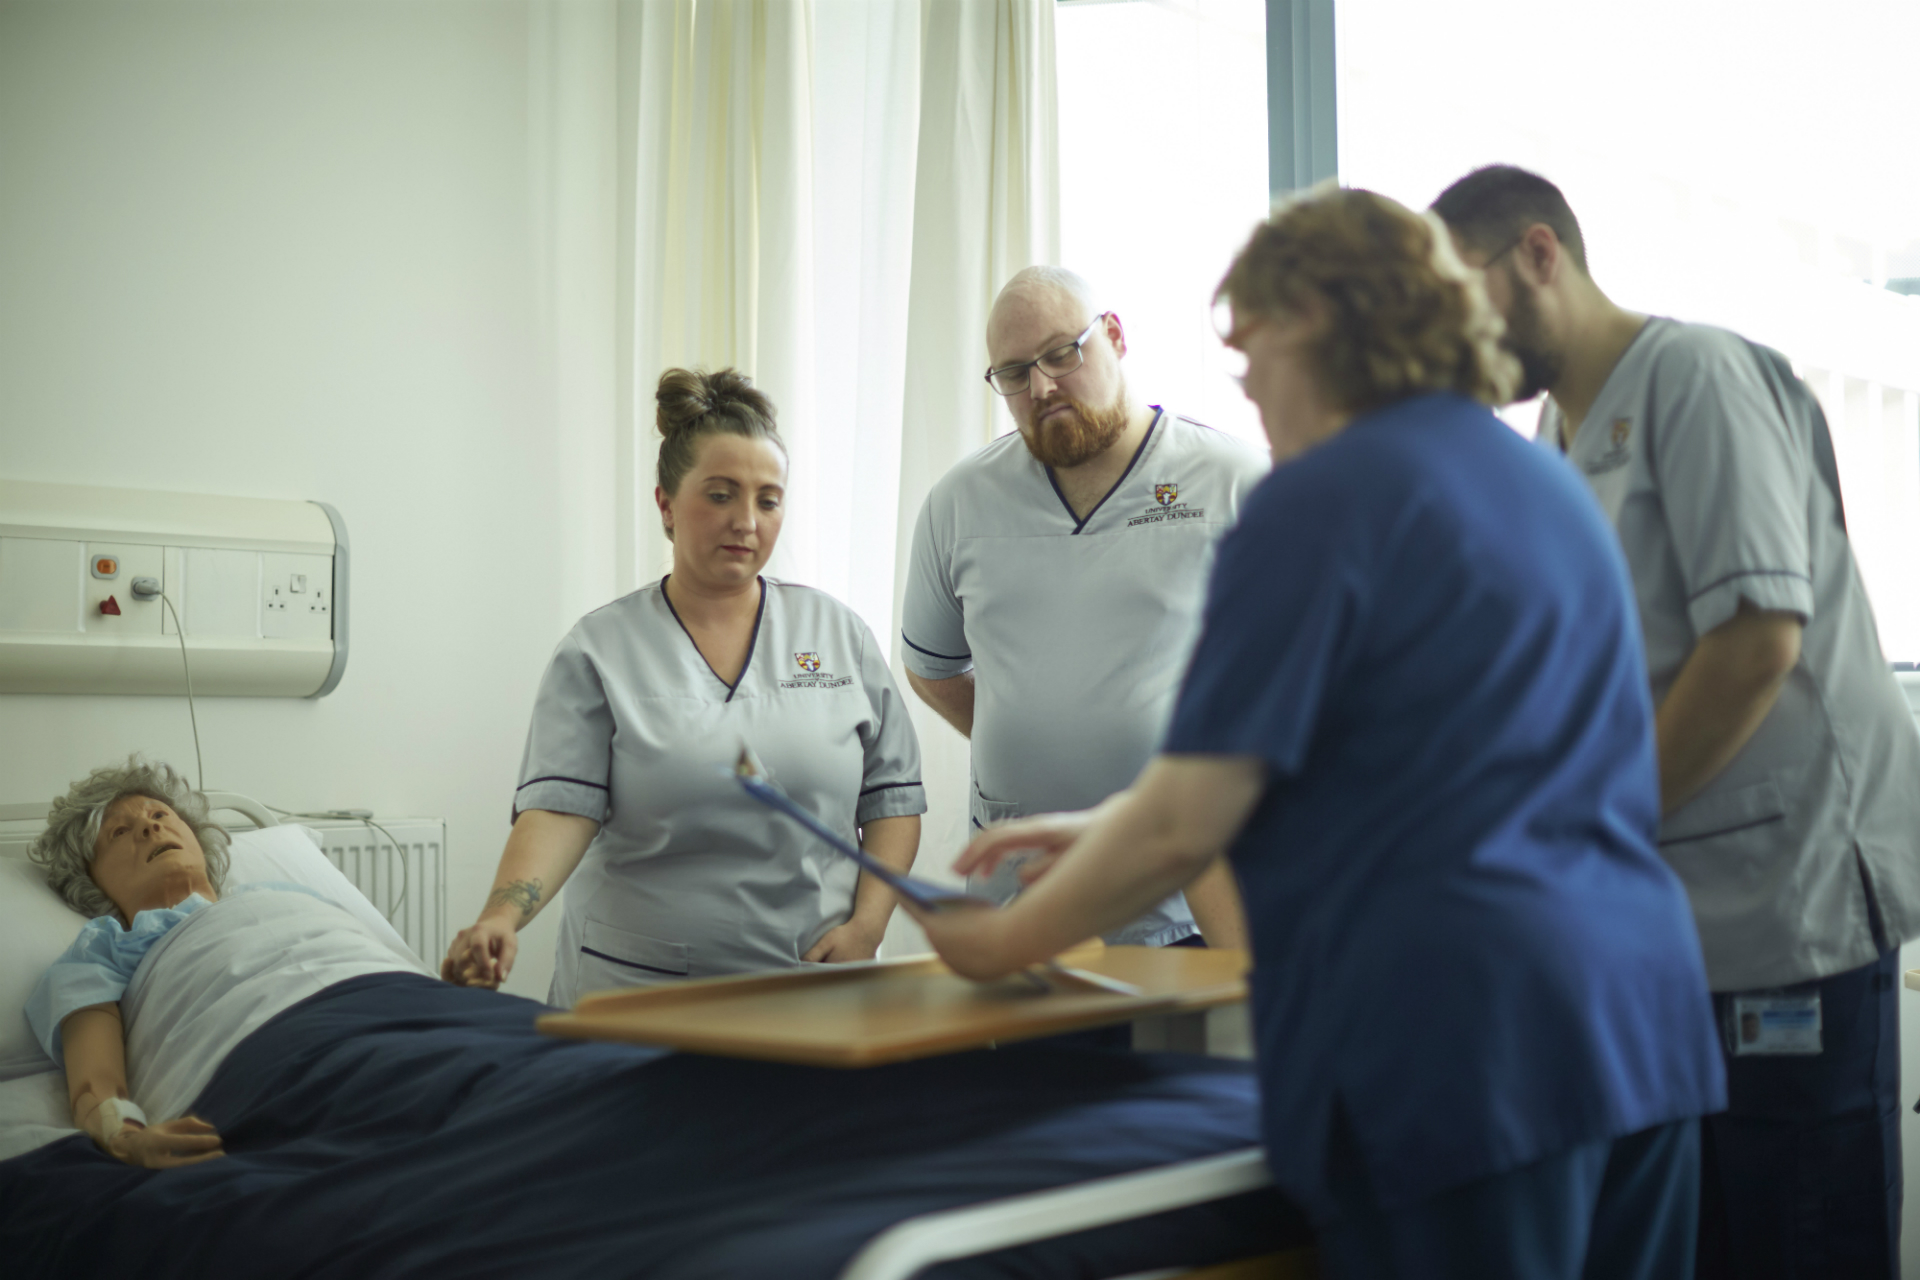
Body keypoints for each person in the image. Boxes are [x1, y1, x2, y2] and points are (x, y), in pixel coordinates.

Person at [909, 187, 1726, 1279]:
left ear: (1318, 327)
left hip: (1465, 1048)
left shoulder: (1321, 501)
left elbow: (1183, 821)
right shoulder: (1544, 479)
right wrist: (1108, 831)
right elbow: (1433, 760)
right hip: (1639, 1022)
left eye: (1255, 366)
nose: (1251, 399)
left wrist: (1003, 937)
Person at [1432, 164, 1920, 1280]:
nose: (1452, 344)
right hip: (1677, 912)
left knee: (1799, 1225)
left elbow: (1757, 639)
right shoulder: (1560, 437)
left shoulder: (1695, 373)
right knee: (1700, 1234)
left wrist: (1594, 824)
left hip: (1787, 895)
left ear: (1538, 255)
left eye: (1461, 300)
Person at [445, 368, 926, 1005]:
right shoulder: (600, 651)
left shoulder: (838, 636)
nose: (747, 522)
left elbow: (891, 801)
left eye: (768, 499)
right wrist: (501, 916)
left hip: (811, 991)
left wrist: (868, 927)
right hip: (638, 997)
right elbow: (561, 812)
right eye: (721, 495)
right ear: (666, 505)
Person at [902, 266, 1265, 951]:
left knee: (1181, 1060)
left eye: (1061, 353)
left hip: (1187, 912)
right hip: (1019, 907)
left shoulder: (1234, 482)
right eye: (1013, 373)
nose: (1041, 386)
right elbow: (931, 668)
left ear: (1116, 337)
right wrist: (1028, 734)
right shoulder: (960, 503)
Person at [26, 758, 420, 1169]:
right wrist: (126, 1139)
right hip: (278, 1061)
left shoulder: (287, 894)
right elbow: (95, 1086)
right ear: (91, 880)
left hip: (401, 1012)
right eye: (120, 832)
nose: (149, 827)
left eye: (160, 814)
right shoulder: (103, 950)